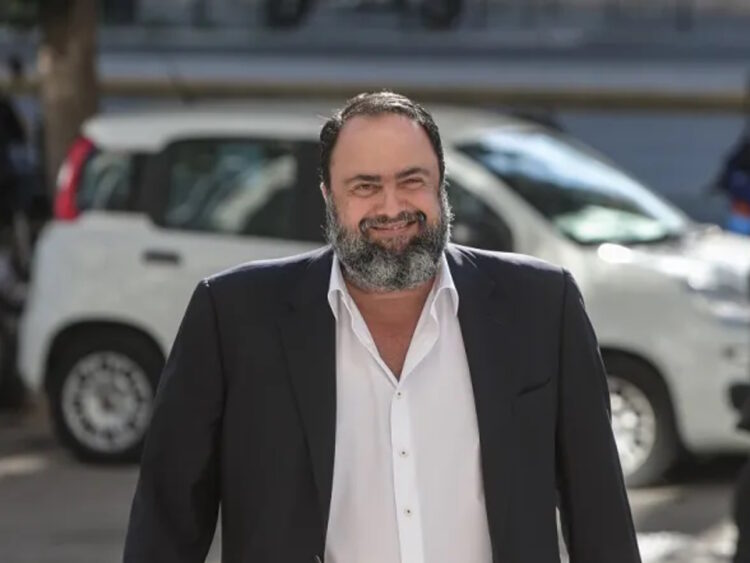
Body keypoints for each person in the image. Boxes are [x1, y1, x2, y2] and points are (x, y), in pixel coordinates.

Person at [123, 91, 641, 563]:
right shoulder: (232, 317)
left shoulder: (542, 306)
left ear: (440, 185)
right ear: (328, 197)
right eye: (365, 186)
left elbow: (601, 521)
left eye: (411, 180)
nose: (392, 207)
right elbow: (166, 526)